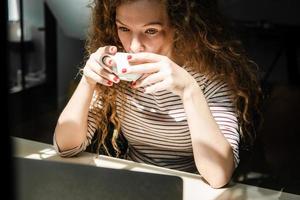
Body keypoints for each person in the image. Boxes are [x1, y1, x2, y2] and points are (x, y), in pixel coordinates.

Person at [53, 0, 261, 188]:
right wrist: (88, 81)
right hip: (134, 185)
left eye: (151, 30)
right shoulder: (120, 75)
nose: (134, 46)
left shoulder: (210, 80)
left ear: (180, 28)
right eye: (124, 28)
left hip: (193, 187)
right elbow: (65, 147)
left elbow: (218, 176)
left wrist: (189, 91)